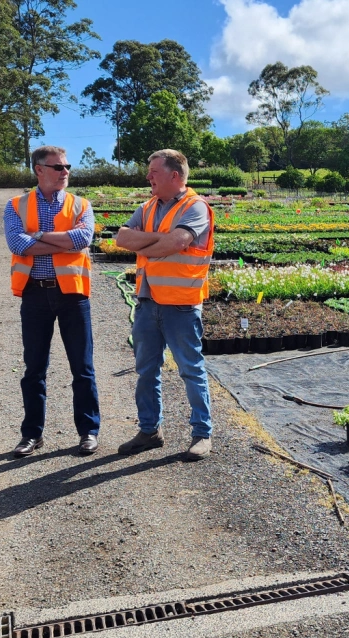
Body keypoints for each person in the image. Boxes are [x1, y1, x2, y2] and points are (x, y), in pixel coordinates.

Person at [112, 149, 215, 461]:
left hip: (181, 306)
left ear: (175, 175)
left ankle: (202, 434)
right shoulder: (147, 206)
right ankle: (149, 430)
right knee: (146, 370)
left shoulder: (196, 207)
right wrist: (161, 240)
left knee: (191, 370)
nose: (148, 177)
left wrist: (148, 242)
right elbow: (121, 239)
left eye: (154, 172)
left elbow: (178, 242)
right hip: (147, 301)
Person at [4, 145, 100, 457]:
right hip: (34, 293)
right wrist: (60, 241)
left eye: (67, 166)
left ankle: (88, 432)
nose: (65, 172)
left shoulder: (80, 204)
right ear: (39, 170)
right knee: (34, 368)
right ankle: (32, 435)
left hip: (72, 294)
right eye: (58, 167)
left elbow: (82, 239)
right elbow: (17, 244)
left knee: (82, 368)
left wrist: (39, 235)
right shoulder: (16, 205)